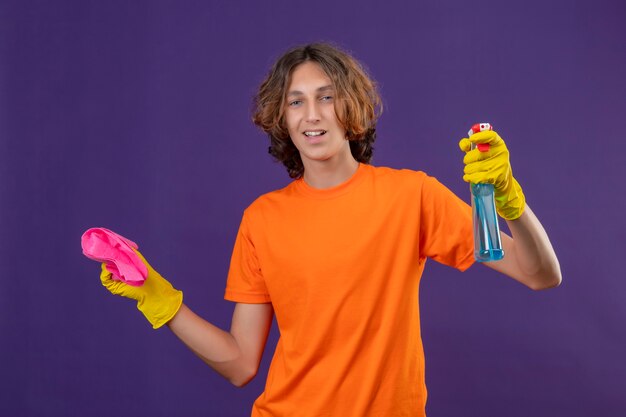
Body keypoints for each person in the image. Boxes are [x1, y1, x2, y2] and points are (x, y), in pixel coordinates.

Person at [99, 43, 561, 417]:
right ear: (281, 119)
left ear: (352, 108)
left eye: (326, 96)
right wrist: (158, 299)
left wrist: (509, 201)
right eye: (295, 102)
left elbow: (540, 274)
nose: (312, 114)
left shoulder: (412, 196)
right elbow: (241, 364)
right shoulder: (262, 218)